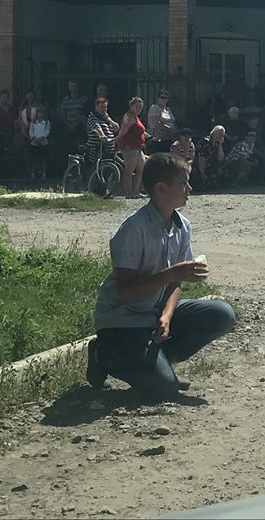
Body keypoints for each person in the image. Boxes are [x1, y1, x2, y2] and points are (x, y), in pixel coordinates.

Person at [87, 154, 236, 399]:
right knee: (164, 390)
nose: (190, 189)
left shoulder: (182, 226)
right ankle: (103, 355)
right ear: (161, 189)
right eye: (183, 184)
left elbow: (174, 284)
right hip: (123, 321)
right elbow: (125, 293)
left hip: (154, 313)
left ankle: (160, 360)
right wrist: (172, 273)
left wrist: (166, 317)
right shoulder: (134, 229)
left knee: (222, 314)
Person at [86, 97, 119, 195]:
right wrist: (102, 135)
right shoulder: (92, 116)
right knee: (97, 169)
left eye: (105, 107)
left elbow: (117, 128)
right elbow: (97, 127)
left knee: (107, 170)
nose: (104, 109)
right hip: (97, 148)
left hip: (109, 148)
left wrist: (109, 120)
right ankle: (95, 190)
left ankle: (104, 191)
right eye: (101, 107)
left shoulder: (105, 117)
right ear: (96, 107)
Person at [116, 97, 147, 200]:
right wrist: (117, 139)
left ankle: (136, 191)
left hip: (138, 147)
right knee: (129, 170)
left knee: (140, 169)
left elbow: (140, 130)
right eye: (137, 106)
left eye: (140, 107)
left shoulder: (136, 117)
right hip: (129, 146)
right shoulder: (128, 116)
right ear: (131, 106)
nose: (139, 109)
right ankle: (128, 192)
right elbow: (123, 130)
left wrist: (149, 135)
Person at [59, 80, 89, 152]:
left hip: (80, 127)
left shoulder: (84, 99)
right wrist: (68, 125)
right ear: (69, 88)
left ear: (78, 87)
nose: (73, 88)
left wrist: (75, 124)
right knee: (67, 147)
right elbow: (62, 114)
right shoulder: (65, 100)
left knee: (80, 147)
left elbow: (85, 114)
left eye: (75, 86)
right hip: (67, 126)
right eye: (71, 86)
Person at [146, 91, 178, 155]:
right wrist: (169, 129)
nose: (164, 100)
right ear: (158, 98)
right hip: (157, 139)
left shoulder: (168, 110)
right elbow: (157, 123)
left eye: (166, 98)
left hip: (168, 139)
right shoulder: (154, 108)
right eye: (162, 97)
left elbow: (173, 122)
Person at [16, 90, 38, 178]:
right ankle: (27, 169)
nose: (29, 96)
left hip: (35, 131)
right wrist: (24, 125)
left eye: (31, 95)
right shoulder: (22, 108)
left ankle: (35, 171)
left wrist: (32, 125)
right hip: (24, 131)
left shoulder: (37, 106)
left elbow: (41, 116)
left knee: (35, 151)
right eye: (27, 95)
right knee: (26, 151)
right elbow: (19, 119)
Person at [197, 126, 227, 191]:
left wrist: (220, 146)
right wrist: (202, 173)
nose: (221, 136)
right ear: (213, 133)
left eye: (222, 135)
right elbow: (201, 158)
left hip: (212, 164)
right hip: (201, 164)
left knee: (222, 167)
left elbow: (220, 158)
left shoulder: (217, 143)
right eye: (219, 134)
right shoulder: (205, 142)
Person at [28, 106, 51, 182]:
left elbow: (47, 132)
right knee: (34, 160)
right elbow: (31, 132)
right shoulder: (33, 122)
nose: (40, 114)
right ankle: (33, 175)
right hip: (34, 143)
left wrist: (42, 138)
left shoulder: (47, 122)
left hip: (43, 143)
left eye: (42, 112)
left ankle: (44, 175)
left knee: (43, 160)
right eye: (39, 112)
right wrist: (34, 138)